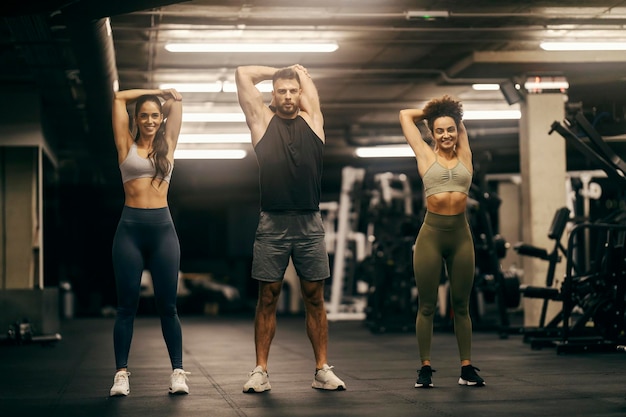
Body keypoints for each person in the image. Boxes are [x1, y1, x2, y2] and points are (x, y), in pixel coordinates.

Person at [235, 64, 346, 393]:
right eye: (281, 90)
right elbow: (242, 73)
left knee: (315, 298)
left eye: (292, 90)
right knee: (267, 297)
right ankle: (260, 371)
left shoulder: (314, 122)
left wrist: (301, 74)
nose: (287, 96)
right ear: (273, 93)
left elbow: (310, 90)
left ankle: (322, 370)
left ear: (300, 94)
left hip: (310, 223)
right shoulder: (262, 121)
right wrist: (283, 68)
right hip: (272, 222)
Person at [108, 88, 190, 397]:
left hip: (162, 232)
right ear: (136, 119)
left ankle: (178, 372)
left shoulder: (167, 145)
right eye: (143, 115)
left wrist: (166, 98)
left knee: (168, 307)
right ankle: (121, 374)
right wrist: (154, 92)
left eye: (155, 115)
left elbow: (178, 101)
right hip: (129, 230)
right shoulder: (125, 145)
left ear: (161, 118)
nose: (150, 120)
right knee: (125, 308)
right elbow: (118, 98)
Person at [399, 95, 485, 388]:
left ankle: (467, 368)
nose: (446, 134)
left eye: (450, 129)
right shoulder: (424, 155)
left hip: (461, 236)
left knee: (461, 306)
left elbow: (459, 121)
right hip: (431, 236)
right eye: (439, 130)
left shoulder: (465, 154)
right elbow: (404, 115)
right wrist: (434, 112)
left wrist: (449, 114)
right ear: (432, 133)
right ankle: (425, 367)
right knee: (427, 306)